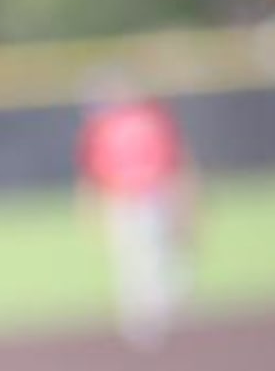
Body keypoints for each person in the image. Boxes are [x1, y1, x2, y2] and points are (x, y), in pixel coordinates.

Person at [76, 76, 200, 350]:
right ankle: (150, 315)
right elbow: (93, 171)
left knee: (151, 254)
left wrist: (183, 196)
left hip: (148, 194)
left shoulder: (125, 122)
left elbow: (175, 161)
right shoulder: (119, 123)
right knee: (142, 255)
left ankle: (153, 314)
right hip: (127, 195)